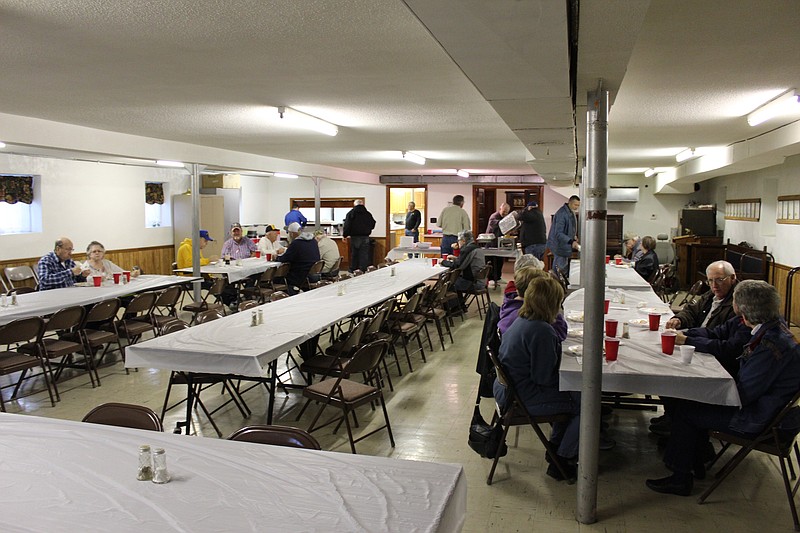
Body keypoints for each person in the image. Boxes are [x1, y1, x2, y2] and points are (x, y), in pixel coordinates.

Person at [646, 280, 800, 496]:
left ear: (742, 310)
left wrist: (707, 390)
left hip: (761, 419)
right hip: (768, 410)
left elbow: (742, 395)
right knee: (689, 401)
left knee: (686, 410)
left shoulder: (771, 346)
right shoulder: (773, 325)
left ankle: (680, 478)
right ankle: (696, 461)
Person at [493, 276, 581, 481]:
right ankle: (563, 458)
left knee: (575, 395)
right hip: (522, 399)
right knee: (586, 406)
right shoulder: (542, 331)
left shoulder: (522, 319)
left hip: (508, 390)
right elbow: (543, 378)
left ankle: (557, 445)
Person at [498, 265, 568, 340]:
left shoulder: (511, 304)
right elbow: (558, 334)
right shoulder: (528, 315)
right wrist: (554, 311)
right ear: (535, 291)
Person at [665, 260, 738, 330]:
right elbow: (692, 311)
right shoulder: (711, 294)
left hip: (704, 339)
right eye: (710, 280)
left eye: (719, 280)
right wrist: (679, 319)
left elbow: (719, 335)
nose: (714, 285)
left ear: (732, 278)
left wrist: (689, 338)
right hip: (697, 336)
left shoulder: (737, 303)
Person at [440, 230, 485, 308]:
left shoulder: (467, 249)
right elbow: (465, 262)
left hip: (473, 282)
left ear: (463, 241)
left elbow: (458, 266)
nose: (458, 242)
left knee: (448, 283)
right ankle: (460, 306)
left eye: (458, 240)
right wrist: (456, 258)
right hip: (480, 280)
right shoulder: (476, 247)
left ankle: (453, 308)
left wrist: (443, 262)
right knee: (453, 280)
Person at [277, 222, 320, 294]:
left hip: (300, 275)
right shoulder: (313, 241)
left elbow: (284, 259)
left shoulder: (296, 243)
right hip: (315, 274)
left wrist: (276, 258)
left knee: (277, 278)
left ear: (292, 234)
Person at [546, 195, 580, 276]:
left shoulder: (570, 212)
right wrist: (571, 241)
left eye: (578, 205)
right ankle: (557, 286)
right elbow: (558, 233)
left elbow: (569, 228)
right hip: (559, 245)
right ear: (570, 203)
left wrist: (573, 236)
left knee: (561, 268)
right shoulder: (562, 214)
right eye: (575, 205)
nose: (577, 207)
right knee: (560, 270)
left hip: (564, 245)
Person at [343, 199, 376, 272]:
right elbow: (373, 223)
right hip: (365, 237)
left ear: (355, 205)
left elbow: (347, 225)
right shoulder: (368, 214)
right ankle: (363, 270)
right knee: (364, 255)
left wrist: (345, 235)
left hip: (354, 237)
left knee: (354, 254)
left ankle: (354, 269)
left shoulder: (351, 213)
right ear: (362, 204)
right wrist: (368, 229)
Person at [485, 203, 511, 289]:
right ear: (500, 209)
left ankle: (498, 277)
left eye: (507, 212)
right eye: (504, 212)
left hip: (499, 242)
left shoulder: (503, 217)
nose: (505, 214)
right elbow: (496, 224)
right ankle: (491, 278)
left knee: (500, 260)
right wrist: (506, 221)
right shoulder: (494, 216)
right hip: (491, 242)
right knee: (492, 261)